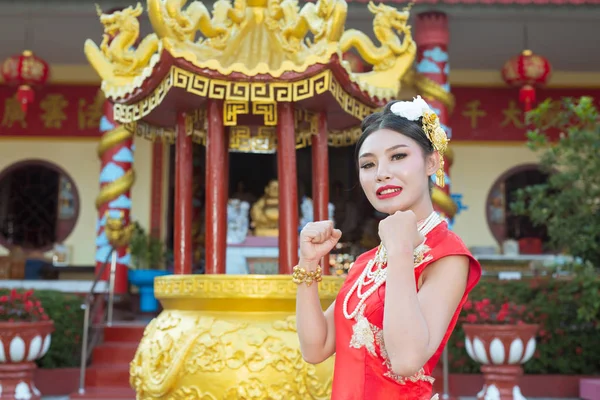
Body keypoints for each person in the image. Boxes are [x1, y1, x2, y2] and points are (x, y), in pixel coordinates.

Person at [293, 97, 482, 400]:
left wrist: (400, 252)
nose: (381, 173)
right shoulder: (368, 261)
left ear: (432, 161)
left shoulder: (447, 255)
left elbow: (407, 360)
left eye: (398, 156)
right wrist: (309, 263)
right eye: (368, 164)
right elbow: (316, 348)